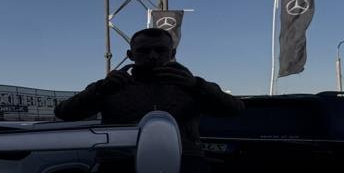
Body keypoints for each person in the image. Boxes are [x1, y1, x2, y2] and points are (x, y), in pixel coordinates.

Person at [56, 27, 243, 145]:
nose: (153, 56)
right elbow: (65, 112)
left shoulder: (191, 85)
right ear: (130, 55)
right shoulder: (110, 87)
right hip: (122, 166)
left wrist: (197, 86)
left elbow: (235, 109)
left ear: (172, 53)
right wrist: (99, 90)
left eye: (160, 50)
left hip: (181, 163)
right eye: (144, 51)